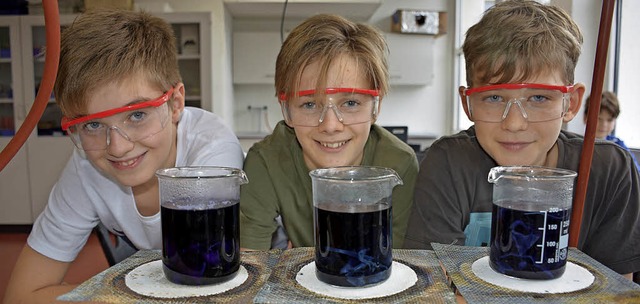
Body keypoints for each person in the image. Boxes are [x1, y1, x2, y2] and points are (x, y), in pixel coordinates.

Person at [4, 9, 244, 303]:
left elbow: (202, 285)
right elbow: (22, 294)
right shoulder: (86, 166)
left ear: (176, 104)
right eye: (93, 125)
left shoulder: (212, 154)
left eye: (138, 115)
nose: (117, 147)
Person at [404, 0, 640, 280]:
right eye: (493, 98)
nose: (514, 123)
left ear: (571, 102)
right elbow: (434, 285)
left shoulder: (609, 169)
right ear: (468, 104)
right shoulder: (449, 163)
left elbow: (617, 292)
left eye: (539, 97)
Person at [239, 14, 419, 250]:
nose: (331, 125)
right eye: (310, 105)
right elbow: (253, 264)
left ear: (376, 107)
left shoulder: (399, 164)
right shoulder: (266, 161)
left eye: (351, 103)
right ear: (287, 111)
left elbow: (401, 264)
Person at [583, 91, 640, 172]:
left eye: (609, 120)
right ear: (585, 118)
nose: (604, 125)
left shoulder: (619, 146)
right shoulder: (579, 144)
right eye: (598, 119)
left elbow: (636, 173)